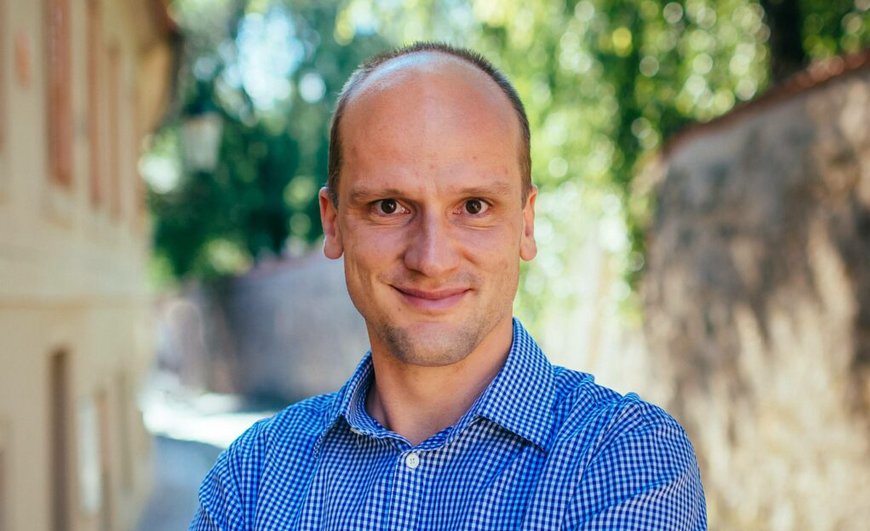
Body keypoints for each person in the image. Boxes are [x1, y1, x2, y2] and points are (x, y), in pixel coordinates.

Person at [190, 42, 706, 530]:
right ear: (333, 222)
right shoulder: (254, 475)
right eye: (389, 206)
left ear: (526, 223)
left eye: (474, 207)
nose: (432, 259)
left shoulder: (624, 459)